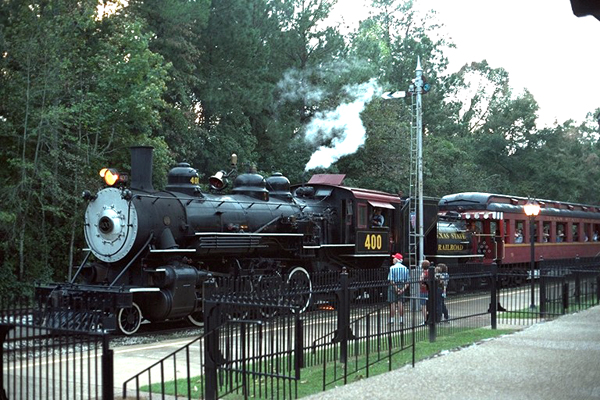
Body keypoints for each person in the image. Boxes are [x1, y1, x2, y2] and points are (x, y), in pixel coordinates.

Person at [388, 253, 409, 325]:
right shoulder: (405, 268)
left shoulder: (392, 268)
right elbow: (407, 281)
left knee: (392, 303)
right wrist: (403, 289)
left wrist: (396, 288)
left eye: (394, 258)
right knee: (400, 303)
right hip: (402, 285)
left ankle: (391, 320)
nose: (393, 259)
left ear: (397, 259)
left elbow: (391, 280)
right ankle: (401, 320)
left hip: (393, 286)